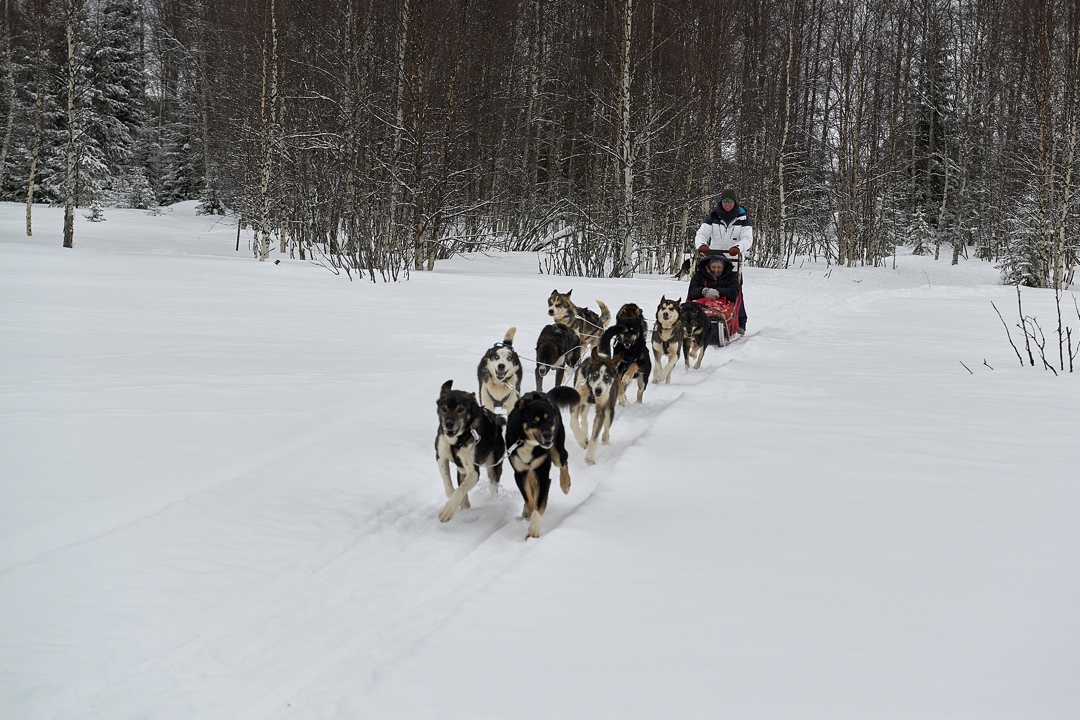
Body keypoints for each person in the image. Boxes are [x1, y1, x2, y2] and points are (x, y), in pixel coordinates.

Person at [692, 189, 752, 333]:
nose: (727, 204)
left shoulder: (743, 219)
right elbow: (702, 233)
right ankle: (700, 316)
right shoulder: (713, 217)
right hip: (713, 260)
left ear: (735, 202)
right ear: (721, 202)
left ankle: (740, 322)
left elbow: (747, 238)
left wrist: (738, 247)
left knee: (735, 292)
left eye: (730, 201)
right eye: (725, 201)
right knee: (703, 288)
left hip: (732, 261)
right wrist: (701, 245)